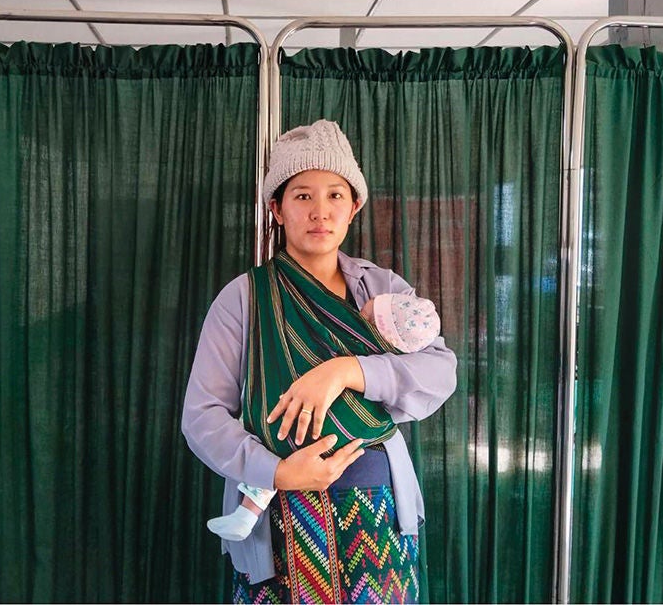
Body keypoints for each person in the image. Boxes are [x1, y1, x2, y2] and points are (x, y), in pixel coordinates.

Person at [181, 118, 457, 604]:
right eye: (302, 196)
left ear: (354, 207)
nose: (320, 212)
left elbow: (441, 372)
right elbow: (202, 418)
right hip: (278, 504)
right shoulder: (244, 298)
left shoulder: (383, 290)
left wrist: (347, 371)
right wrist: (280, 473)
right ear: (277, 210)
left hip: (378, 510)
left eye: (335, 195)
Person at [205, 291, 442, 542]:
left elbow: (442, 371)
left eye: (368, 310)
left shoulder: (357, 332)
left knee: (273, 434)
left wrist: (343, 370)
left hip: (343, 447)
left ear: (374, 324)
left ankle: (248, 511)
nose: (361, 308)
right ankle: (248, 511)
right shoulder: (245, 293)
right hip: (351, 450)